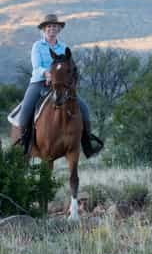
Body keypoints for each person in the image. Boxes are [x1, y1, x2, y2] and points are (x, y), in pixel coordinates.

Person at [14, 14, 102, 157]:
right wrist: (47, 74)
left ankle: (88, 144)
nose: (52, 29)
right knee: (25, 114)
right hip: (39, 83)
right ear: (44, 29)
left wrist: (69, 81)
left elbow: (71, 67)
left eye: (55, 26)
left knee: (84, 108)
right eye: (49, 26)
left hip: (60, 86)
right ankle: (24, 144)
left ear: (59, 29)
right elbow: (36, 67)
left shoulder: (64, 47)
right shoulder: (37, 46)